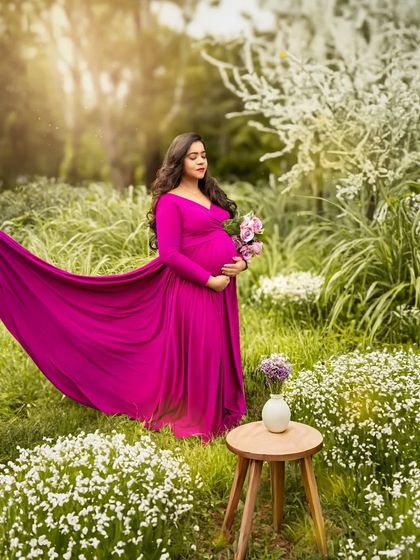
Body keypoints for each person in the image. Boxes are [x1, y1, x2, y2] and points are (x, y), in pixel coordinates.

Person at [0, 132, 248, 444]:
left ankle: (222, 399)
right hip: (196, 288)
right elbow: (170, 254)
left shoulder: (210, 192)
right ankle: (201, 412)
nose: (200, 161)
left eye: (203, 155)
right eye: (192, 156)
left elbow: (226, 236)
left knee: (220, 343)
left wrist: (242, 262)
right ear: (178, 161)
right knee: (205, 346)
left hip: (224, 287)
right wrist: (209, 280)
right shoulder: (170, 202)